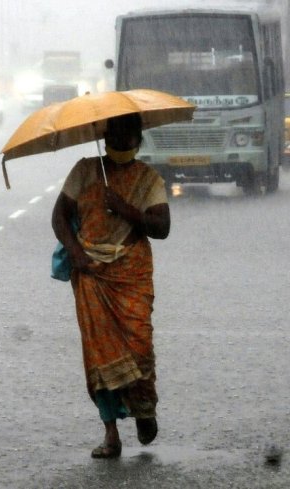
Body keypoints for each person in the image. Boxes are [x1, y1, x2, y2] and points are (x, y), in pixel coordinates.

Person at [51, 113, 171, 459]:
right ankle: (111, 433)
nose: (121, 145)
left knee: (139, 346)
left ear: (138, 141)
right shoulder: (86, 171)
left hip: (131, 275)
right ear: (105, 139)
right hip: (90, 275)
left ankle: (144, 408)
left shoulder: (147, 180)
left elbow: (161, 227)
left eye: (128, 138)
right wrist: (78, 256)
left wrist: (124, 208)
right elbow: (59, 217)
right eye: (115, 138)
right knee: (99, 356)